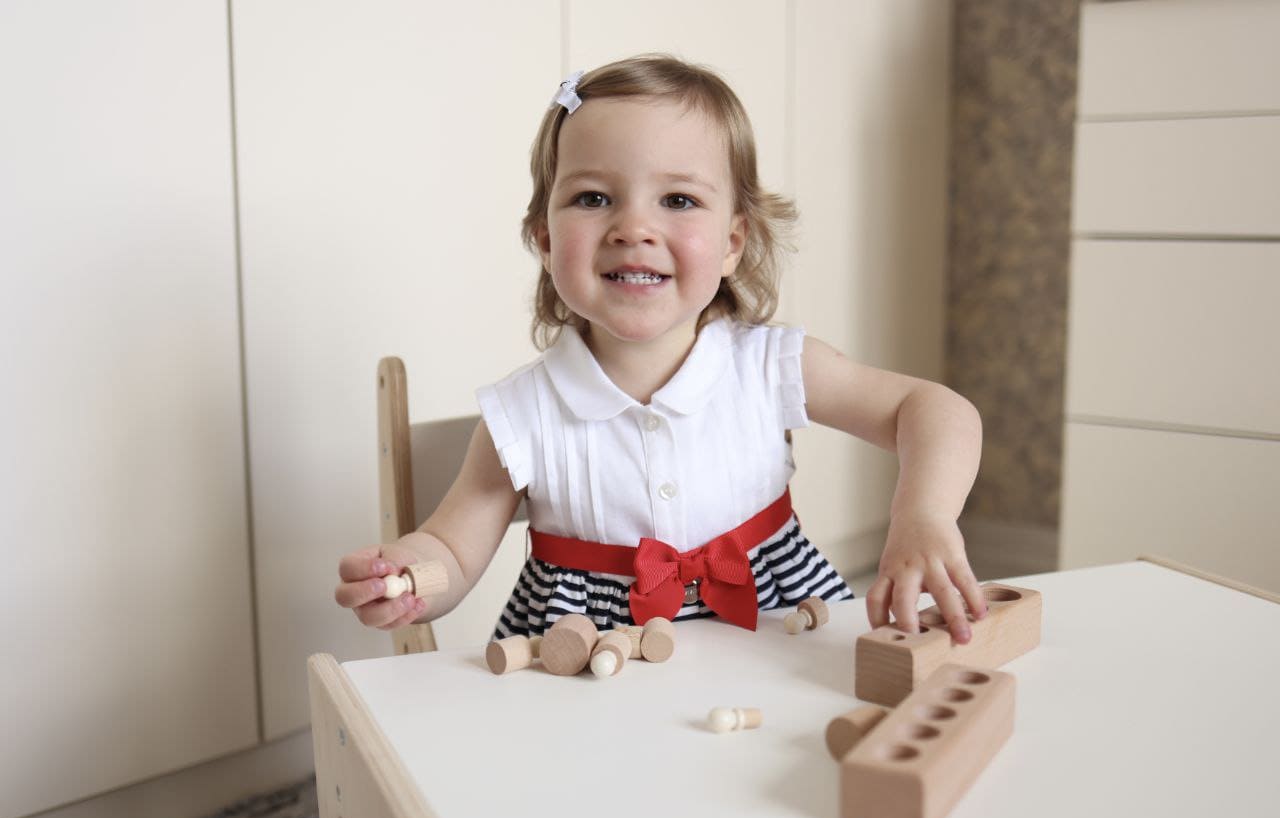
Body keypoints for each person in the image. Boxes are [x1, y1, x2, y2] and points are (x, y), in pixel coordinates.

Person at [335, 54, 987, 644]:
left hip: (772, 638)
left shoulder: (771, 368)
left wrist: (923, 515)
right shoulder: (522, 414)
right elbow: (452, 550)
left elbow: (934, 410)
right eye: (593, 198)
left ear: (732, 243)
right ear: (545, 239)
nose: (634, 228)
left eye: (678, 199)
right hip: (585, 667)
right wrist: (408, 578)